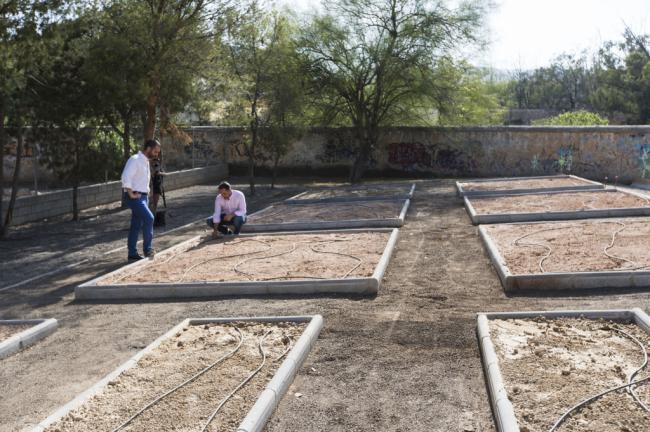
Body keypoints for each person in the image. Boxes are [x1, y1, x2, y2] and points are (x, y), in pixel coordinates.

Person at [121, 139, 161, 260]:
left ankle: (132, 254)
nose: (156, 154)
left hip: (143, 197)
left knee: (136, 225)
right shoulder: (135, 159)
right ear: (148, 148)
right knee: (149, 218)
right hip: (135, 197)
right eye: (155, 151)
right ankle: (147, 249)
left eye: (158, 152)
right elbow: (125, 176)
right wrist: (131, 194)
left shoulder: (145, 161)